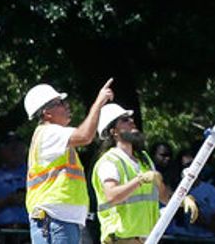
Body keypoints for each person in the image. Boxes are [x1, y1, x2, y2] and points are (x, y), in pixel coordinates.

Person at [22, 79, 114, 244]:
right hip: (54, 219)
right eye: (60, 103)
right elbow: (85, 136)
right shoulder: (49, 133)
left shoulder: (54, 137)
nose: (67, 106)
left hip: (59, 220)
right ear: (46, 113)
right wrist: (98, 103)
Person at [91, 103, 197, 244]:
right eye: (124, 120)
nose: (131, 121)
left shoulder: (144, 159)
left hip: (148, 239)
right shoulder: (109, 162)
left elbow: (162, 196)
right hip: (122, 240)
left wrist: (180, 200)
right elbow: (111, 196)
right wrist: (140, 180)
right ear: (113, 131)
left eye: (130, 118)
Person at [0, 134, 29, 229]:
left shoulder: (35, 176)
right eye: (10, 147)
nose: (14, 151)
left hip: (30, 232)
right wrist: (6, 201)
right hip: (2, 232)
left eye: (17, 147)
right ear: (2, 151)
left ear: (25, 149)